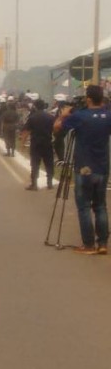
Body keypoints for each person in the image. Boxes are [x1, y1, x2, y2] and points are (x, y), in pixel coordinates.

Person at [54, 84, 111, 255]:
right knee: (100, 206)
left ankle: (88, 244)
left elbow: (57, 129)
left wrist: (63, 115)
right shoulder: (108, 115)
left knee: (84, 206)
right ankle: (102, 244)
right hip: (102, 166)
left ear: (88, 99)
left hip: (84, 167)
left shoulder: (80, 116)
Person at [21, 98, 55, 190]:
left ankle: (34, 184)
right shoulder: (50, 117)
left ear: (35, 107)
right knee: (49, 163)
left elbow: (26, 131)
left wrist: (23, 143)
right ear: (44, 106)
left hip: (36, 144)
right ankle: (50, 183)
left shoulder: (32, 117)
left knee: (35, 164)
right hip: (47, 143)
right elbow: (55, 129)